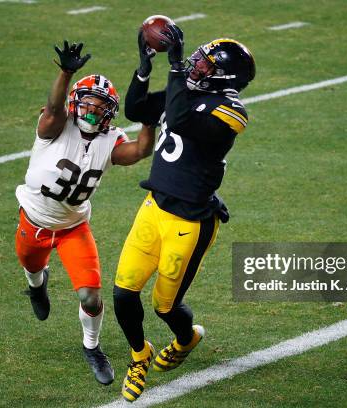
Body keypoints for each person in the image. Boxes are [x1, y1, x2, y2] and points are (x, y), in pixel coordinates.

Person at [112, 24, 256, 402]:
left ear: (226, 75)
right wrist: (144, 68)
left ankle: (186, 338)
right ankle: (139, 356)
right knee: (124, 293)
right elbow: (136, 109)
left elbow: (177, 119)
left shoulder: (230, 110)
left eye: (207, 64)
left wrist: (175, 67)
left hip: (189, 223)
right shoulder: (188, 91)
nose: (197, 65)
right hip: (154, 207)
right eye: (199, 60)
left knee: (164, 306)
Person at [14, 41, 154, 386]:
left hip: (74, 226)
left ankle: (91, 347)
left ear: (110, 112)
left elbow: (139, 150)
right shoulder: (55, 125)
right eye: (87, 103)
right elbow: (52, 106)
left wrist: (150, 120)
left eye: (99, 106)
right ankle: (37, 285)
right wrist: (66, 72)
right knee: (32, 267)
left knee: (90, 295)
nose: (92, 111)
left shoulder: (111, 140)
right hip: (34, 219)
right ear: (75, 103)